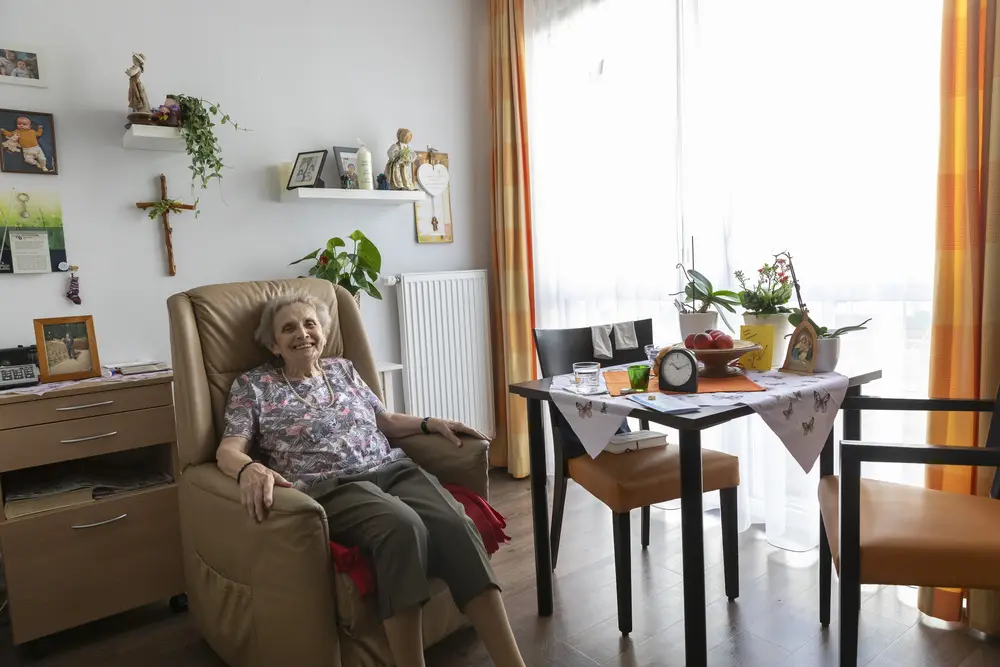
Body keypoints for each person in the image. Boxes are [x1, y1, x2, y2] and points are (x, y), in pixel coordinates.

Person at [216, 291, 526, 667]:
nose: (303, 333)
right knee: (402, 526)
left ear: (323, 331)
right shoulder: (254, 385)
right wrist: (249, 469)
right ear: (273, 344)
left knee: (456, 523)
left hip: (392, 468)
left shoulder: (343, 369)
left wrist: (431, 423)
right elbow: (228, 449)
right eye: (289, 328)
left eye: (310, 323)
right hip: (330, 485)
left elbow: (386, 420)